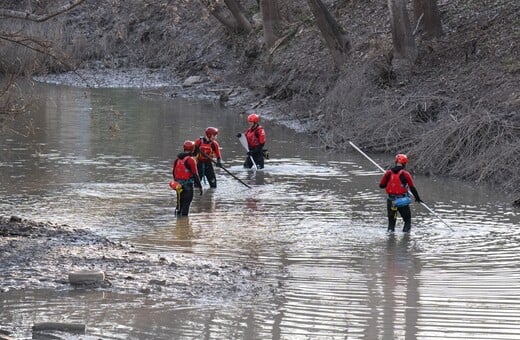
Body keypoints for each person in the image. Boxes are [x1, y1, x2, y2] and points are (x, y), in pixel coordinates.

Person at [379, 154, 423, 233]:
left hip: (391, 202)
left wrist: (389, 181)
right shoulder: (405, 174)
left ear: (396, 162)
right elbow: (412, 188)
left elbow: (381, 186)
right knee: (407, 221)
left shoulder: (388, 173)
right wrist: (417, 198)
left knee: (391, 223)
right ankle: (406, 240)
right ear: (405, 163)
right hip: (402, 201)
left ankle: (390, 240)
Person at [172, 140, 203, 216]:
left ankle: (177, 221)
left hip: (178, 185)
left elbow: (174, 172)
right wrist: (200, 186)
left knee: (179, 205)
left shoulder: (177, 159)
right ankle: (184, 224)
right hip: (188, 186)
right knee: (186, 206)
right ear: (193, 149)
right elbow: (195, 174)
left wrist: (176, 182)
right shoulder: (191, 160)